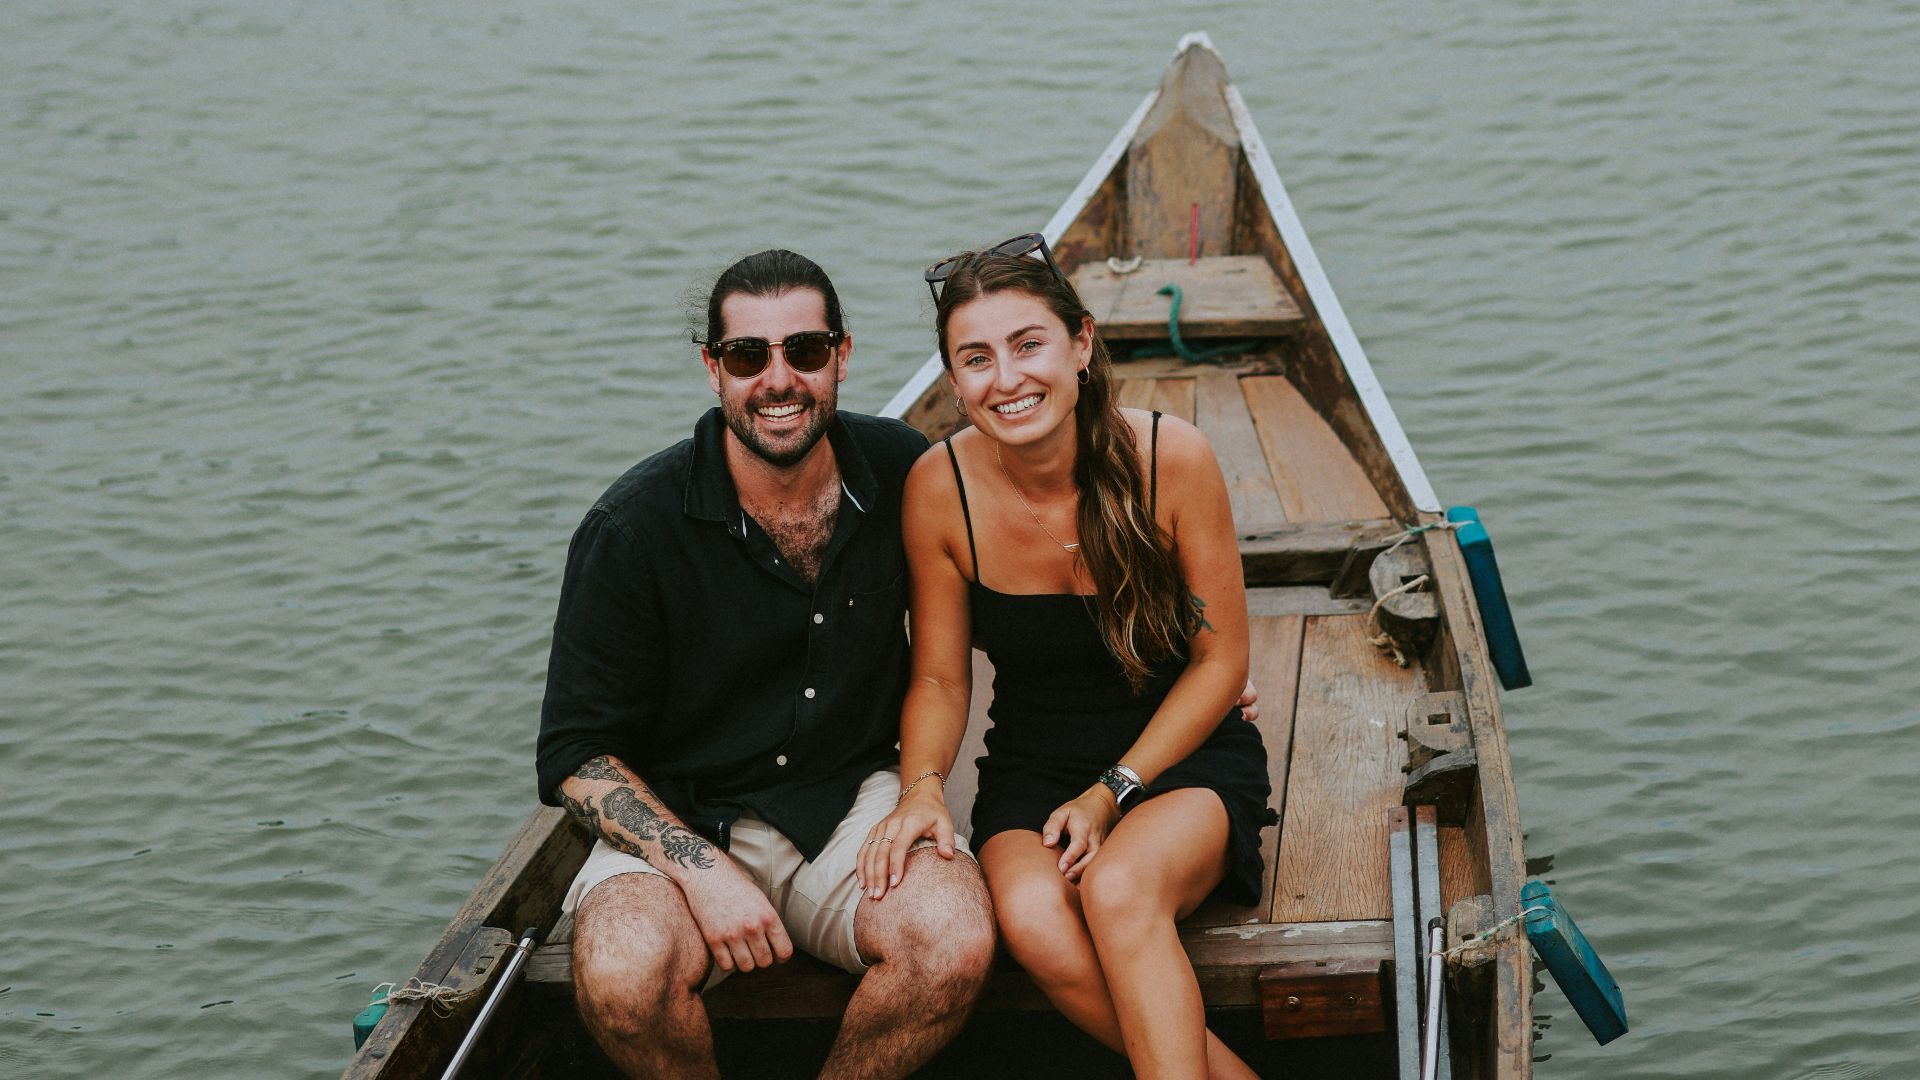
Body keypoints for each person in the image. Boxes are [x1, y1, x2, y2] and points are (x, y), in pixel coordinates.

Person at [534, 249, 996, 1080]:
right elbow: (574, 757)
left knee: (954, 943)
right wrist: (702, 870)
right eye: (749, 356)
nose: (779, 380)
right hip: (680, 819)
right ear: (713, 368)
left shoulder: (901, 470)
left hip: (851, 802)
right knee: (621, 977)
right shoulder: (631, 529)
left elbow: (1018, 592)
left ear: (842, 356)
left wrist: (1169, 666)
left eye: (805, 351)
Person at [860, 235, 1277, 1080]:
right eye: (975, 359)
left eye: (1027, 345)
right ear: (953, 382)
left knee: (1117, 888)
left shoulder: (1172, 461)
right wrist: (923, 788)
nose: (1006, 379)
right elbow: (940, 677)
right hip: (1033, 769)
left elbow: (1219, 664)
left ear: (1081, 344)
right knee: (1034, 920)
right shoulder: (940, 489)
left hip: (1180, 758)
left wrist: (1111, 792)